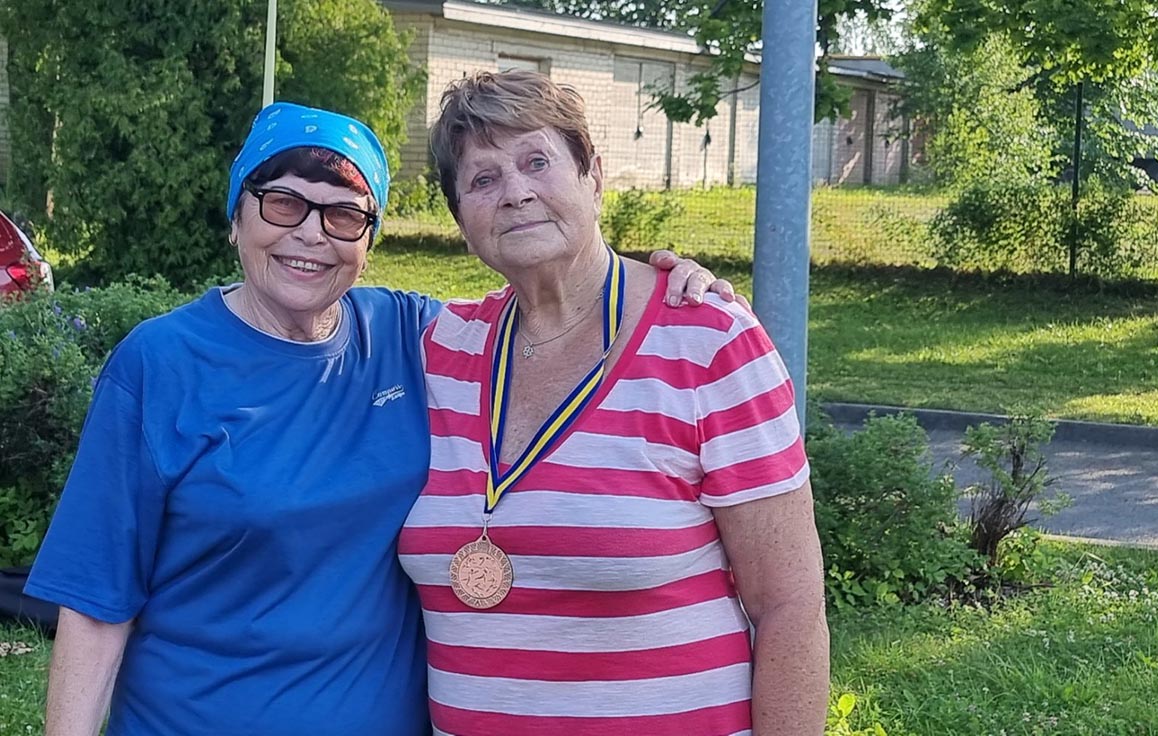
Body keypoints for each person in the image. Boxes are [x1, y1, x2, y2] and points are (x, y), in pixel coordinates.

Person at [24, 101, 732, 736]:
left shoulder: (413, 338)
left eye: (344, 215)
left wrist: (664, 284)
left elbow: (553, 307)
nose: (311, 235)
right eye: (282, 203)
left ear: (369, 240)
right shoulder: (160, 364)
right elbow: (96, 601)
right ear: (237, 215)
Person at [396, 70, 829, 736]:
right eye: (482, 179)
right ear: (461, 222)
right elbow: (307, 313)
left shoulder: (709, 342)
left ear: (593, 176)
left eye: (537, 162)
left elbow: (789, 606)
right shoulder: (437, 350)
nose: (515, 192)